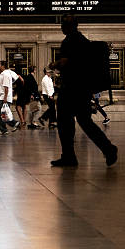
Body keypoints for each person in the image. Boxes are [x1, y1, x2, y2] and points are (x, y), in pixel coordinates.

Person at [49, 15, 118, 167]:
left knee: (64, 122)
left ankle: (69, 156)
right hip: (83, 89)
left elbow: (66, 62)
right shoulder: (83, 40)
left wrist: (54, 64)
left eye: (63, 23)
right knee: (85, 121)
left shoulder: (69, 41)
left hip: (71, 88)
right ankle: (108, 149)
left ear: (68, 25)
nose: (61, 26)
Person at [0, 60, 20, 135]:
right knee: (3, 114)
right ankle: (6, 128)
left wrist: (5, 98)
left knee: (1, 114)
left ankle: (9, 126)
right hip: (3, 97)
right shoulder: (6, 73)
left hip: (4, 97)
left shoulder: (5, 74)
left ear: (3, 66)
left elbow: (6, 87)